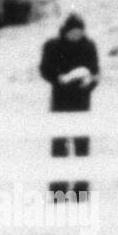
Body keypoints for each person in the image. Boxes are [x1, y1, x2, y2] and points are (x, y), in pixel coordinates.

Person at [39, 12, 99, 161]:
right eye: (73, 32)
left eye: (79, 32)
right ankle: (58, 182)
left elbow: (95, 71)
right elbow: (45, 69)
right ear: (66, 31)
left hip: (82, 98)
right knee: (59, 141)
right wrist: (58, 79)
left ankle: (81, 183)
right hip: (60, 97)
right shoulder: (52, 46)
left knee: (82, 142)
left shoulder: (89, 46)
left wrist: (89, 83)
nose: (76, 36)